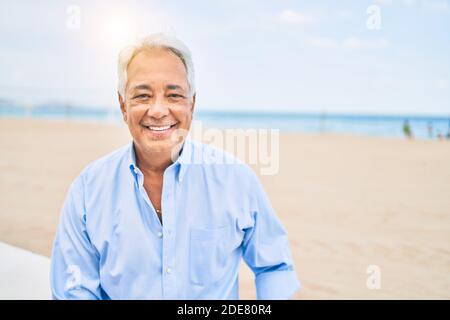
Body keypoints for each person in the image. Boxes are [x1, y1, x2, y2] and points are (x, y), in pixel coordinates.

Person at [50, 33, 300, 299]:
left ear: (192, 104)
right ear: (123, 106)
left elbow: (275, 267)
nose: (158, 110)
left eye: (174, 95)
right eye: (143, 96)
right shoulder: (87, 191)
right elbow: (73, 291)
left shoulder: (236, 180)